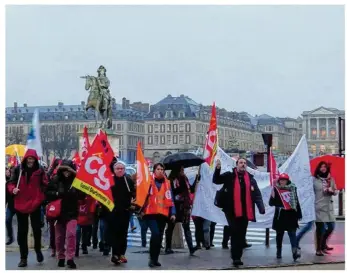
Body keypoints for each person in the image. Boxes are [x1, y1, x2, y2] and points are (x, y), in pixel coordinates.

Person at [213, 158, 265, 267]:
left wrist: (261, 207)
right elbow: (216, 180)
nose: (243, 165)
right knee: (235, 232)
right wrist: (217, 169)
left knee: (241, 235)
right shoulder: (229, 176)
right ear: (236, 165)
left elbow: (257, 195)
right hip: (231, 211)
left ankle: (238, 256)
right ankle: (235, 257)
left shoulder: (250, 179)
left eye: (245, 163)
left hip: (245, 211)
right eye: (241, 163)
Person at [7, 149, 48, 267]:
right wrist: (13, 189)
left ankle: (37, 249)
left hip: (35, 202)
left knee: (36, 229)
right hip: (21, 202)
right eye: (29, 159)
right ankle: (23, 257)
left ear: (35, 159)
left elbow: (45, 183)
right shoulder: (18, 169)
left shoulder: (40, 171)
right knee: (22, 231)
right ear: (26, 159)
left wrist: (41, 193)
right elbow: (10, 183)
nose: (30, 161)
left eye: (32, 159)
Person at [46, 160, 85, 269]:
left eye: (68, 170)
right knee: (59, 237)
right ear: (61, 171)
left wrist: (80, 192)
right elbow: (47, 193)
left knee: (71, 234)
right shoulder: (56, 180)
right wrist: (57, 193)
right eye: (64, 170)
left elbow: (83, 195)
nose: (66, 173)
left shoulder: (77, 181)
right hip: (59, 213)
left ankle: (70, 258)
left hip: (72, 212)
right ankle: (61, 257)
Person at [141, 163, 176, 267]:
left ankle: (155, 259)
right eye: (158, 169)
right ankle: (151, 258)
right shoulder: (149, 181)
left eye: (162, 169)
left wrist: (173, 213)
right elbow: (143, 195)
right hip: (150, 213)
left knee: (159, 237)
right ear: (154, 170)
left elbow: (171, 198)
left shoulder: (167, 183)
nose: (160, 171)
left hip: (162, 213)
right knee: (155, 234)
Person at [105, 161, 135, 265]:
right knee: (114, 234)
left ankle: (122, 253)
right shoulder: (110, 181)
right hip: (113, 211)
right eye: (118, 168)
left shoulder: (128, 180)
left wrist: (134, 203)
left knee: (123, 234)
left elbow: (134, 193)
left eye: (122, 168)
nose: (120, 170)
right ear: (114, 170)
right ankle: (115, 254)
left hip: (125, 211)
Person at [164, 166, 199, 256]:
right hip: (175, 207)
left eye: (183, 170)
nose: (183, 172)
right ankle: (168, 247)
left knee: (187, 227)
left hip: (185, 207)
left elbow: (190, 189)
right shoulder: (171, 180)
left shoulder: (185, 178)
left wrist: (196, 180)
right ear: (177, 171)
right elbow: (172, 192)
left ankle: (191, 248)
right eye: (181, 170)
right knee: (170, 227)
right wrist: (181, 187)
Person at [269, 173, 302, 261]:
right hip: (280, 216)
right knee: (279, 235)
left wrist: (299, 214)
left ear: (287, 181)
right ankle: (278, 251)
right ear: (279, 180)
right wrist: (272, 197)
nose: (283, 181)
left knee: (292, 235)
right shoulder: (276, 189)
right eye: (281, 180)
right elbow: (271, 203)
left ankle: (294, 252)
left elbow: (296, 201)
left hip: (291, 215)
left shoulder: (292, 188)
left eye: (285, 180)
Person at [313, 161, 338, 256]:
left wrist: (333, 191)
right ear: (318, 168)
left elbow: (336, 190)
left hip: (329, 207)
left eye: (325, 167)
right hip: (318, 206)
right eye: (321, 167)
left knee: (331, 227)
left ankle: (323, 244)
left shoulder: (331, 179)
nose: (323, 168)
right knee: (320, 228)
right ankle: (318, 249)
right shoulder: (314, 180)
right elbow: (310, 193)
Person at [6, 166, 15, 246]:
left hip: (19, 205)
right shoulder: (8, 182)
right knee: (7, 220)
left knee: (21, 222)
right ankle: (10, 237)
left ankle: (20, 238)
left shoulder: (18, 181)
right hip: (10, 206)